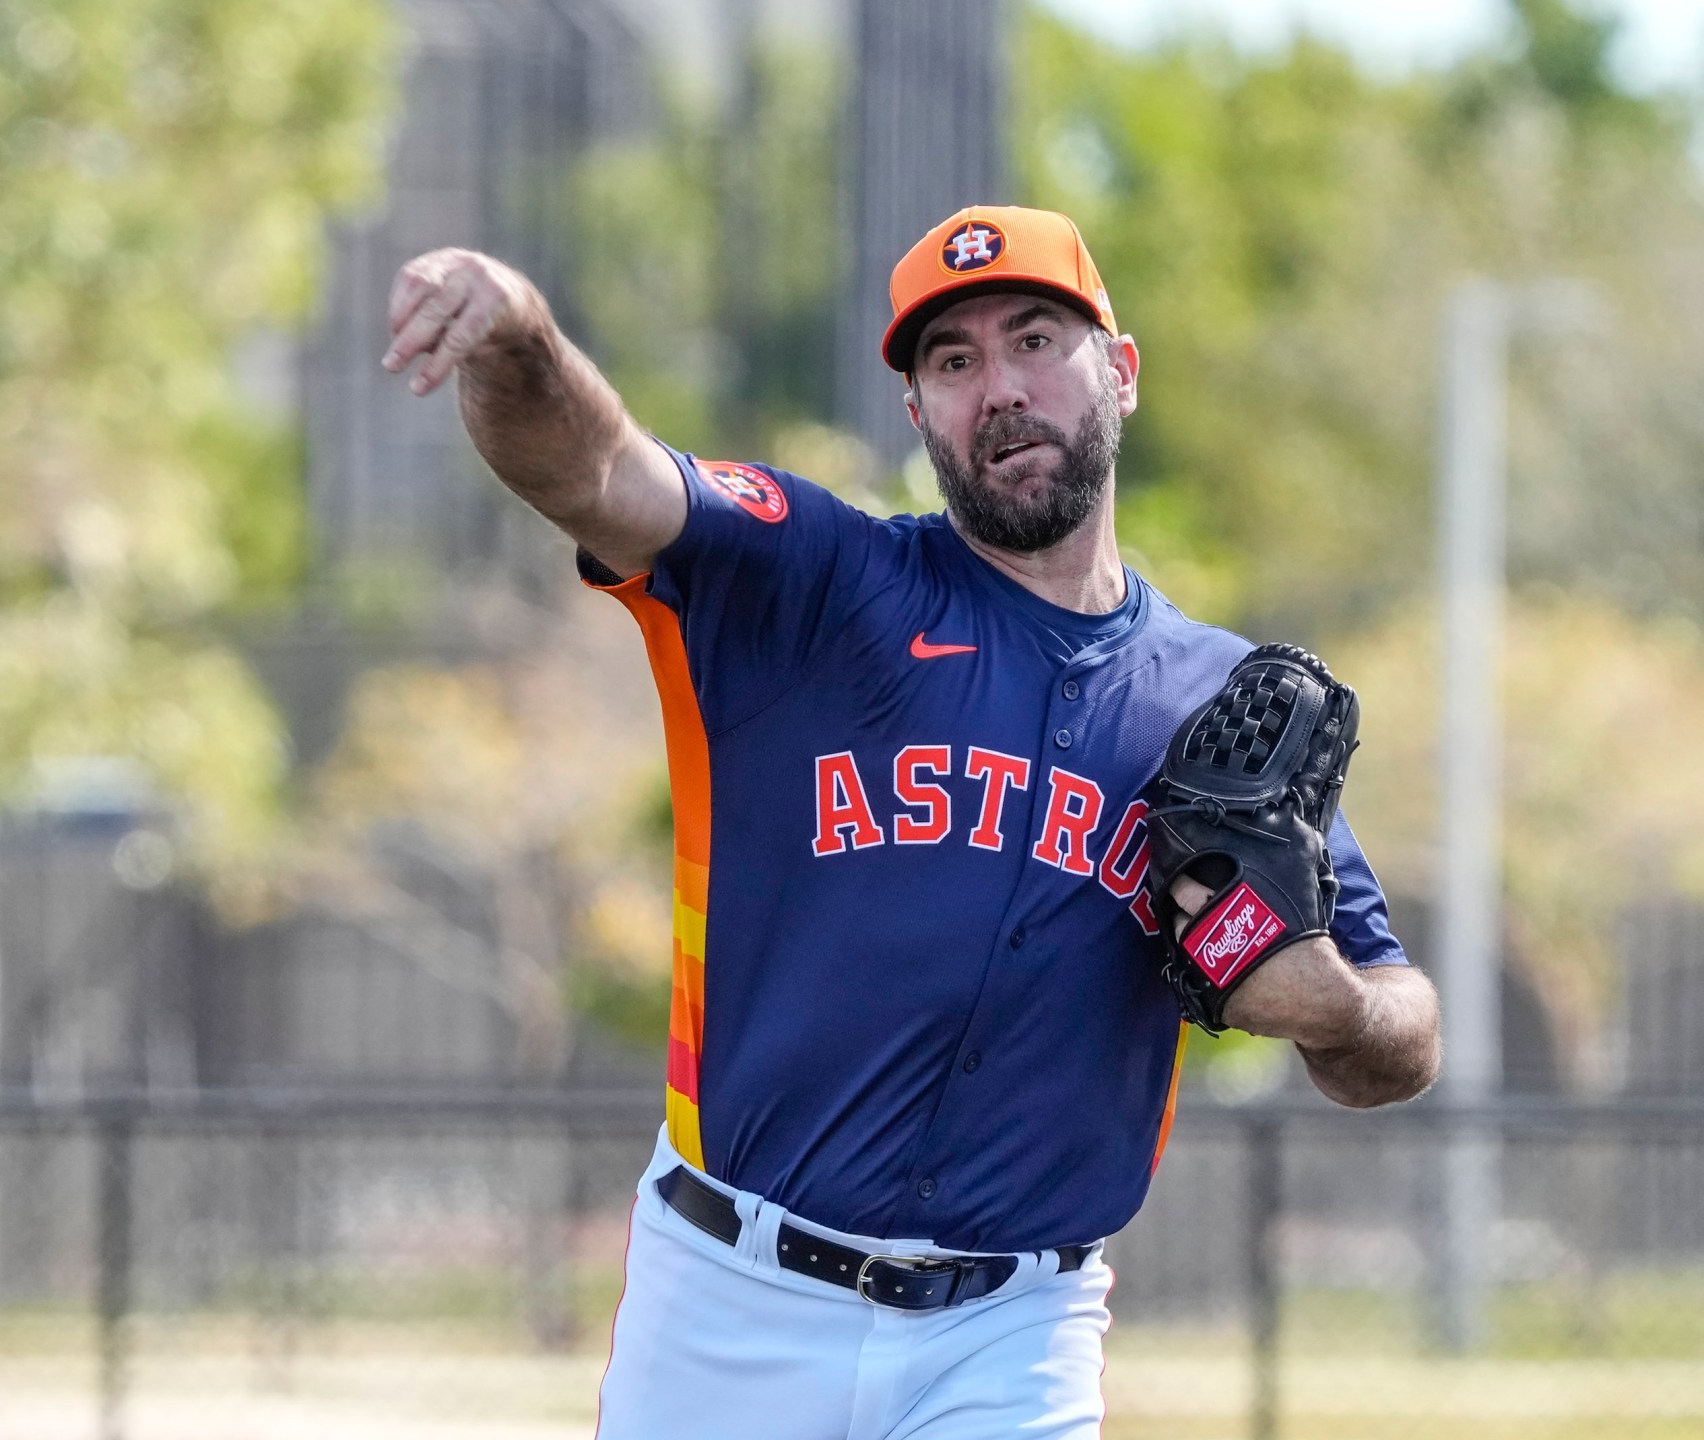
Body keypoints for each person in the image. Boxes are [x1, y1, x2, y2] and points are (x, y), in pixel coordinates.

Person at [383, 206, 1440, 1438]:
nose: (1000, 386)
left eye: (1036, 338)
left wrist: (1337, 1008)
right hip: (731, 1306)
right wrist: (516, 330)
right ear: (917, 414)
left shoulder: (1220, 709)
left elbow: (1401, 1031)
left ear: (1122, 371)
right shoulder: (819, 586)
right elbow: (596, 470)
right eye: (953, 361)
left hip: (1008, 1339)